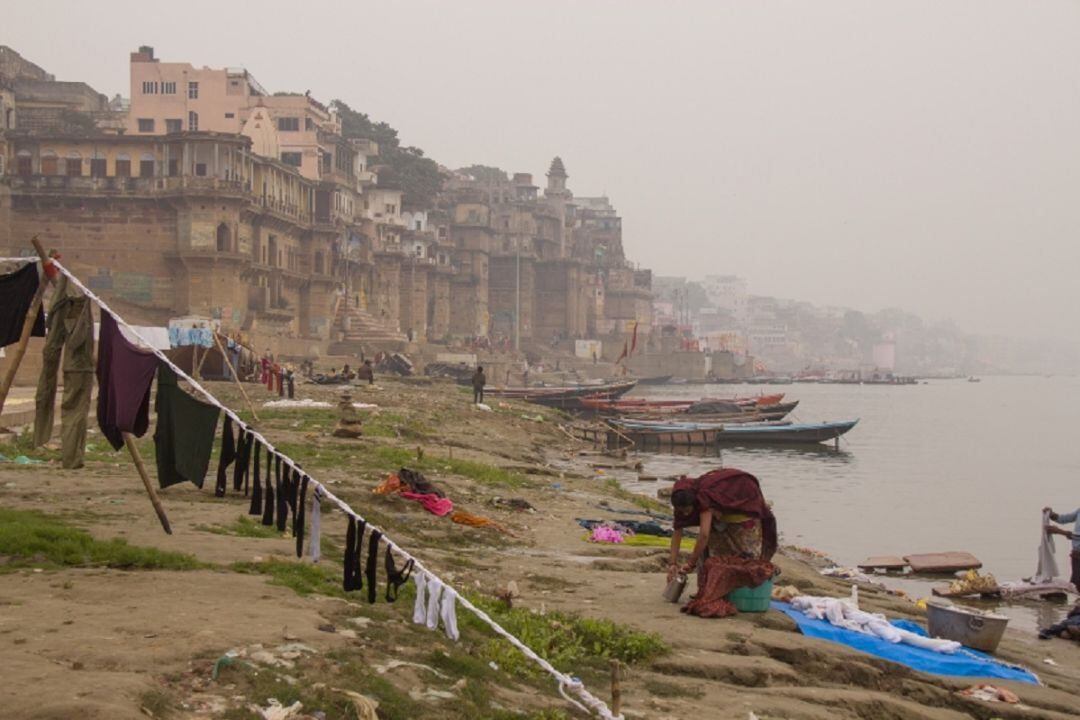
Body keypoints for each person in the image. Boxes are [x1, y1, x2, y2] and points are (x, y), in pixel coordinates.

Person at [667, 468, 777, 584]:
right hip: (720, 509)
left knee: (746, 558)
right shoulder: (681, 496)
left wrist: (691, 563)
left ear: (694, 503)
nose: (685, 514)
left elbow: (704, 535)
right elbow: (677, 531)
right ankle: (712, 585)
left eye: (688, 511)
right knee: (714, 555)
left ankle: (743, 585)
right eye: (682, 511)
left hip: (745, 501)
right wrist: (672, 563)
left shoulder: (703, 497)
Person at [1044, 505, 1080, 589]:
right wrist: (1052, 515)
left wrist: (1059, 531)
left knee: (1077, 585)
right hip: (1076, 555)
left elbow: (1078, 536)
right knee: (1075, 584)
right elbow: (1064, 519)